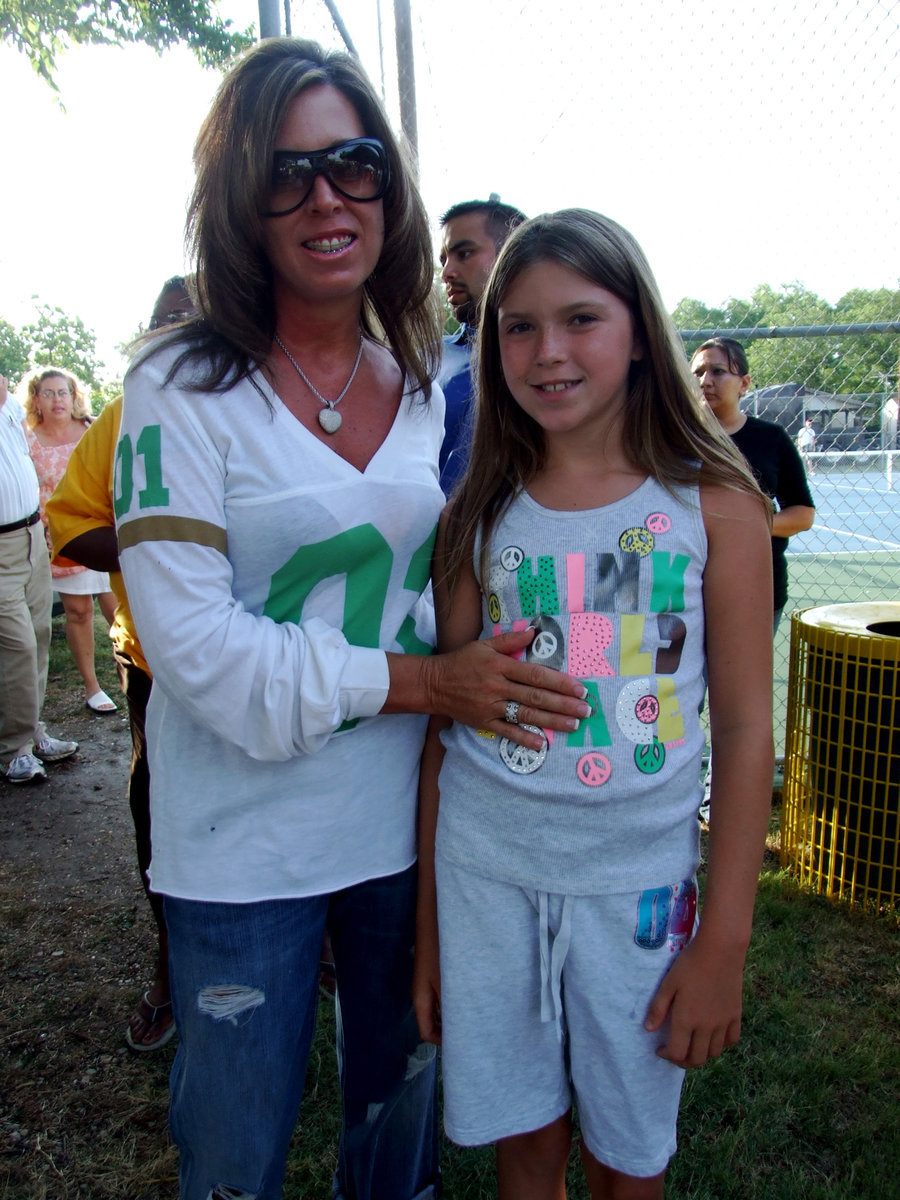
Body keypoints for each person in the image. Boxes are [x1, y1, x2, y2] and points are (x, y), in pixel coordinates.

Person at [114, 39, 590, 1200]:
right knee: (234, 1165)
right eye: (288, 172)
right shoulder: (176, 385)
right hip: (240, 849)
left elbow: (429, 585)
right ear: (239, 199)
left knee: (398, 1147)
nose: (327, 196)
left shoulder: (420, 377)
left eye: (354, 162)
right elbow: (198, 652)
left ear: (390, 186)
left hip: (402, 832)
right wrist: (431, 685)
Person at [413, 209, 775, 1200]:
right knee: (525, 1146)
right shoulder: (473, 515)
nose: (548, 350)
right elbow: (447, 734)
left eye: (580, 318)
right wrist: (433, 937)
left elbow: (745, 732)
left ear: (637, 328)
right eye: (518, 326)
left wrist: (725, 940)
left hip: (640, 897)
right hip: (487, 877)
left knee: (630, 1158)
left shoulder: (716, 505)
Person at [45, 276, 196, 1054]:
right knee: (159, 812)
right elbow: (69, 527)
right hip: (157, 664)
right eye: (165, 321)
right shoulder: (123, 417)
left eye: (195, 320)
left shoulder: (271, 410)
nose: (178, 333)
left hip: (270, 661)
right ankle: (171, 962)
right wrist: (169, 544)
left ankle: (319, 942)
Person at [690, 337, 815, 631]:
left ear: (744, 384)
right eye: (698, 372)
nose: (706, 381)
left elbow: (802, 513)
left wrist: (748, 525)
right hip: (685, 589)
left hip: (756, 588)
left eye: (718, 371)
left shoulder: (771, 439)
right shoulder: (672, 440)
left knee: (742, 676)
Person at [21, 368, 118, 713]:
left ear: (73, 396)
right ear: (36, 399)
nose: (56, 400)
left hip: (102, 529)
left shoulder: (93, 428)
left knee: (117, 606)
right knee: (78, 612)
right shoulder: (27, 438)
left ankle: (133, 671)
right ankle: (93, 688)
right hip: (62, 536)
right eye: (47, 393)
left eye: (62, 392)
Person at [0, 373, 78, 784]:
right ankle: (13, 750)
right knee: (18, 645)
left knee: (40, 633)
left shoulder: (9, 410)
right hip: (0, 548)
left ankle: (32, 732)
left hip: (31, 535)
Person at [437, 197, 526, 493]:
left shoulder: (552, 361)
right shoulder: (426, 361)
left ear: (514, 253)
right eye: (444, 260)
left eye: (464, 253)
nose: (447, 273)